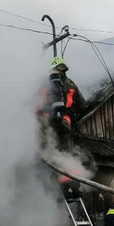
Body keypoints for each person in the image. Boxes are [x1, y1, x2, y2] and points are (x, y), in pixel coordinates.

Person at [38, 57, 89, 202]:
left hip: (48, 123)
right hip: (66, 124)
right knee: (68, 156)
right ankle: (74, 188)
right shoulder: (71, 84)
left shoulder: (45, 84)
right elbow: (82, 106)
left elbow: (36, 104)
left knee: (49, 155)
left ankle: (56, 190)